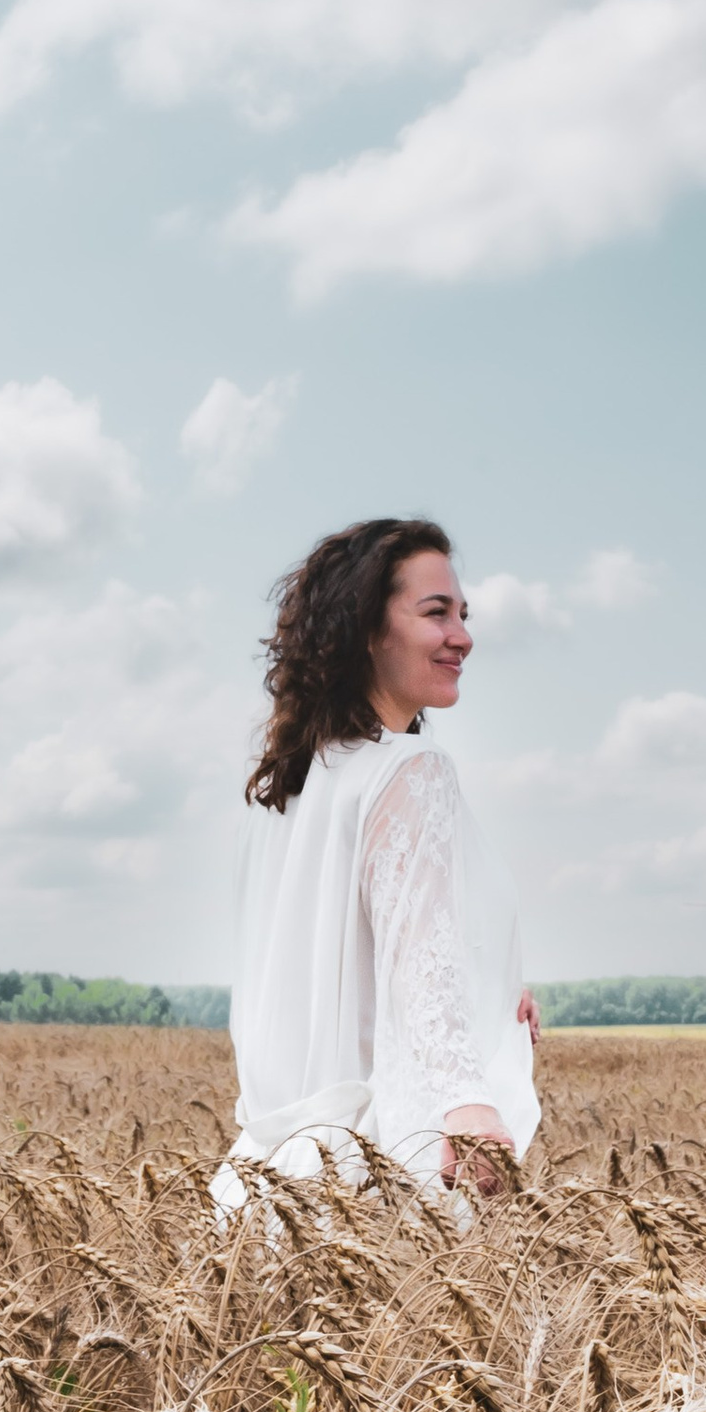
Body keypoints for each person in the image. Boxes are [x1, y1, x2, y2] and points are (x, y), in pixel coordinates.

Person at [217, 516, 540, 1214]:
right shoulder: (410, 768)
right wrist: (466, 1100)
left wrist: (494, 990)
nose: (463, 636)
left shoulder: (282, 790)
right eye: (436, 612)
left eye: (464, 614)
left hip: (263, 1186)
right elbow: (418, 959)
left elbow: (335, 961)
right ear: (367, 628)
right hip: (370, 1176)